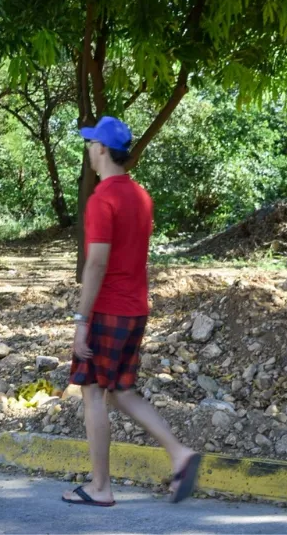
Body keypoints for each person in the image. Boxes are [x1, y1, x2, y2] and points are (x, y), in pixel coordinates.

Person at [61, 116, 201, 508]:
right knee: (120, 391)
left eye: (91, 144)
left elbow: (96, 264)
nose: (88, 150)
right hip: (136, 308)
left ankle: (100, 488)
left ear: (102, 149)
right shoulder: (141, 196)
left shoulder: (102, 200)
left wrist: (81, 322)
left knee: (92, 392)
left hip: (108, 310)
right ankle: (179, 453)